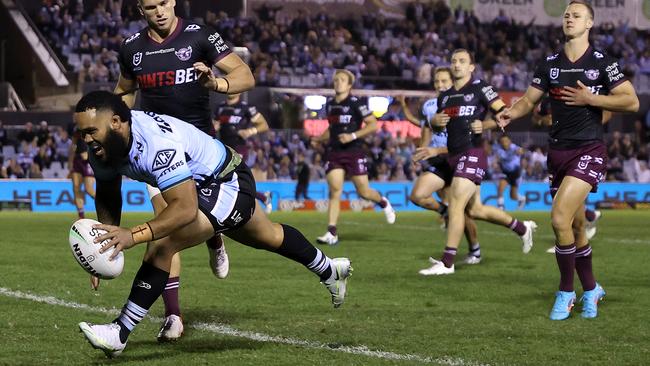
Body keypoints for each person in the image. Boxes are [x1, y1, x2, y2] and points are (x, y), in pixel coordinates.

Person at [74, 91, 353, 358]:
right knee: (268, 236)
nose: (86, 139)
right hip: (207, 183)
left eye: (91, 131)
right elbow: (109, 195)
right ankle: (330, 269)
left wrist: (132, 235)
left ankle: (119, 332)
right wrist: (103, 247)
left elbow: (184, 209)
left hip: (227, 182)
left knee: (163, 244)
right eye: (82, 132)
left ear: (115, 122)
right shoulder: (103, 148)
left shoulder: (155, 143)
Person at [111, 0, 255, 340]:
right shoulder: (132, 48)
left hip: (201, 151)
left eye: (163, 2)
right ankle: (174, 315)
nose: (159, 10)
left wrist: (216, 85)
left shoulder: (200, 35)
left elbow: (244, 75)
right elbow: (124, 92)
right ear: (140, 10)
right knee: (164, 231)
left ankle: (215, 238)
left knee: (192, 219)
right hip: (158, 151)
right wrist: (111, 122)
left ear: (173, 2)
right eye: (151, 6)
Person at [496, 1, 639, 320]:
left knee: (559, 218)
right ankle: (591, 289)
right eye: (566, 14)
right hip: (557, 152)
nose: (569, 18)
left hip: (589, 149)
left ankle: (565, 292)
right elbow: (528, 101)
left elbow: (631, 101)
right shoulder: (549, 64)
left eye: (577, 15)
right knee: (574, 226)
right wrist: (511, 112)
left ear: (590, 23)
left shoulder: (602, 62)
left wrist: (591, 98)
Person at [418, 49, 537, 276]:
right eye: (454, 61)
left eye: (462, 61)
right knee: (476, 209)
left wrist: (488, 125)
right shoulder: (445, 97)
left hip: (472, 153)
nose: (457, 65)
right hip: (451, 156)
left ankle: (447, 262)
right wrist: (435, 121)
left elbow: (505, 114)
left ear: (471, 67)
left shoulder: (481, 87)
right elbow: (441, 127)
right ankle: (522, 228)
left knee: (456, 204)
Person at [400, 67, 482, 268]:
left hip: (460, 158)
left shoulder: (464, 101)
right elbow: (425, 128)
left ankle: (475, 249)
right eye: (436, 82)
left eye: (444, 81)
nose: (440, 85)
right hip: (439, 161)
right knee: (418, 196)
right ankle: (444, 212)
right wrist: (422, 150)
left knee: (468, 211)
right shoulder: (430, 105)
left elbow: (472, 135)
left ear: (452, 81)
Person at [311, 69, 396, 245]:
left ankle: (382, 202)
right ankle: (331, 232)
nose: (338, 82)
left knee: (363, 192)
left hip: (354, 151)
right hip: (334, 152)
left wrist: (353, 136)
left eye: (342, 80)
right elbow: (331, 128)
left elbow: (373, 124)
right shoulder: (329, 105)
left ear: (350, 85)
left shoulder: (357, 104)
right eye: (336, 80)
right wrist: (319, 138)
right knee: (335, 191)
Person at [535, 96, 603, 245]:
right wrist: (543, 121)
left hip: (581, 151)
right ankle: (589, 216)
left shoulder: (580, 96)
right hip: (557, 152)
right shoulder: (547, 102)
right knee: (561, 201)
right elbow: (536, 119)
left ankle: (567, 241)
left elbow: (606, 113)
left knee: (564, 208)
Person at [213, 93, 273, 213]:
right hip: (223, 147)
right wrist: (214, 127)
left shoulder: (246, 107)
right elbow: (214, 126)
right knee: (233, 182)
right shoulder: (220, 107)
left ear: (239, 91)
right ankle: (263, 197)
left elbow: (264, 125)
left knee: (229, 177)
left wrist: (250, 131)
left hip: (239, 147)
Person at [68, 130, 96, 219]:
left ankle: (105, 205)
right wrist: (70, 161)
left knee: (89, 189)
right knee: (76, 188)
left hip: (88, 160)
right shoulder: (76, 129)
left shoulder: (91, 127)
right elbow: (73, 145)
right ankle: (81, 216)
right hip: (77, 159)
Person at [494, 135, 527, 210]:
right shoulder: (499, 150)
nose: (504, 143)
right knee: (500, 188)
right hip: (506, 173)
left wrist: (521, 151)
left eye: (506, 141)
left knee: (513, 196)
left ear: (510, 141)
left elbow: (520, 150)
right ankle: (500, 207)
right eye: (502, 142)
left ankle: (522, 199)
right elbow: (498, 158)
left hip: (516, 173)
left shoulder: (514, 147)